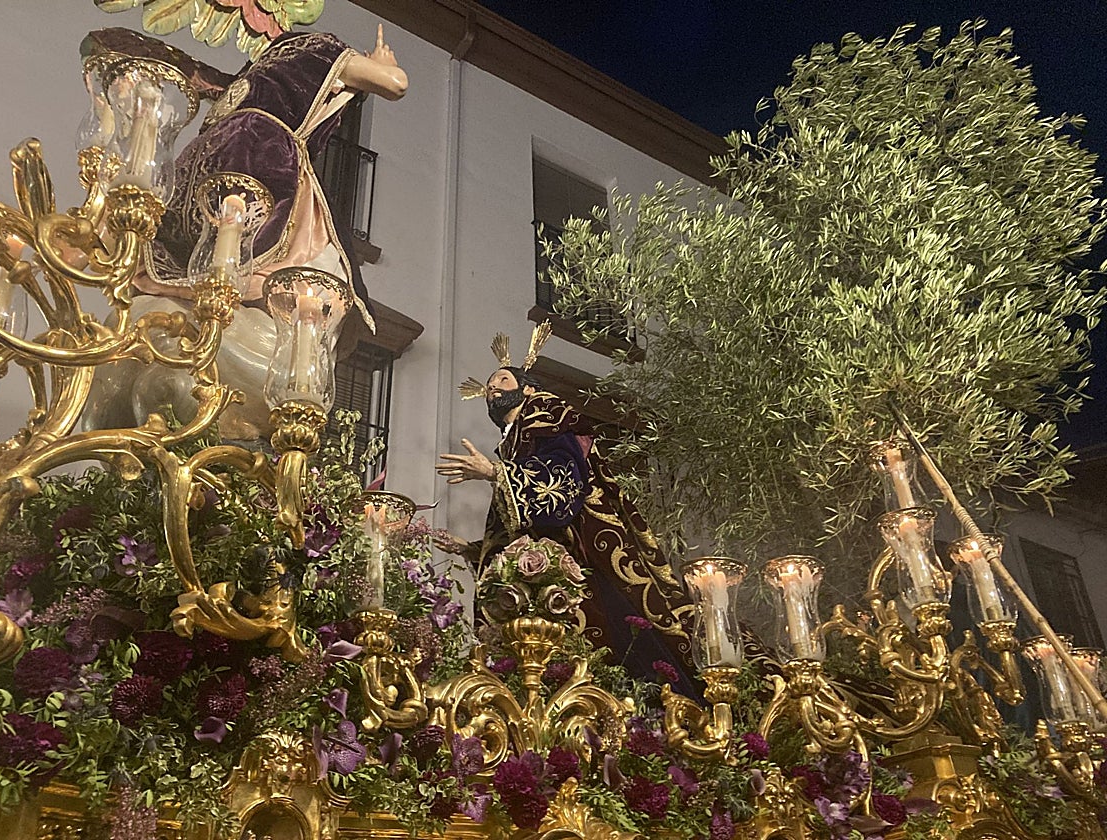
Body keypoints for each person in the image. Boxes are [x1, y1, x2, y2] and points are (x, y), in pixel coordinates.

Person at [83, 25, 407, 439]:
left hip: (211, 173)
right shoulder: (317, 48)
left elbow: (205, 81)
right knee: (295, 291)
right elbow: (395, 84)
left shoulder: (264, 68)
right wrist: (383, 65)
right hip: (253, 168)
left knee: (206, 270)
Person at [436, 325, 696, 682]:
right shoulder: (512, 443)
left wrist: (496, 473)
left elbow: (563, 479)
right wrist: (470, 548)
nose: (491, 388)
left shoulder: (546, 412)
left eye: (501, 380)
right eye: (489, 387)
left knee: (607, 635)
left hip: (583, 549)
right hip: (545, 567)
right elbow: (520, 529)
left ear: (527, 388)